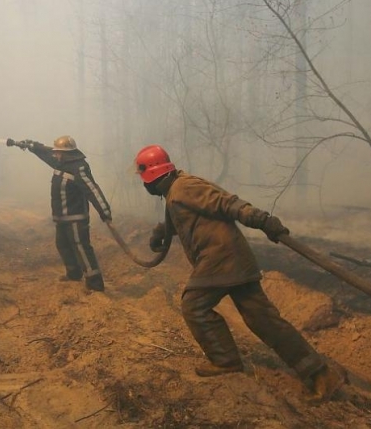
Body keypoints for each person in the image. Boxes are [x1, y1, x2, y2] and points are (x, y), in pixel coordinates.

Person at [134, 144, 345, 402]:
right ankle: (320, 373)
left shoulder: (184, 187)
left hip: (221, 259)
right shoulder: (175, 190)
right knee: (263, 319)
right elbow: (185, 217)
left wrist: (262, 220)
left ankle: (226, 360)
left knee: (194, 306)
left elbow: (227, 203)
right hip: (233, 259)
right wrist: (161, 233)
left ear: (150, 175)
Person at [7, 135, 111, 292]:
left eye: (58, 152)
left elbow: (92, 190)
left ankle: (95, 284)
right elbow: (46, 153)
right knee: (62, 245)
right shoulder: (60, 162)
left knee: (82, 248)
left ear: (66, 153)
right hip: (61, 218)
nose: (55, 154)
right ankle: (74, 274)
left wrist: (104, 211)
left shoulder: (79, 167)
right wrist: (32, 146)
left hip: (76, 218)